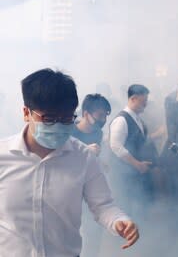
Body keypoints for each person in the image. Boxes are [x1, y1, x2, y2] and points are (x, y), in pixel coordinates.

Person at [0, 68, 139, 257]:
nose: (58, 125)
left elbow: (103, 205)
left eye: (66, 119)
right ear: (26, 113)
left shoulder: (83, 157)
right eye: (49, 118)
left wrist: (119, 221)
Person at [73, 93, 112, 257]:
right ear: (85, 113)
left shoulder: (98, 133)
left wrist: (100, 162)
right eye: (99, 115)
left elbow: (94, 159)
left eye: (105, 115)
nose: (102, 119)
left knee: (94, 232)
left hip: (90, 189)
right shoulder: (69, 132)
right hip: (72, 191)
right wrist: (86, 151)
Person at [109, 84, 156, 218]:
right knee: (127, 209)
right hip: (126, 175)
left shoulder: (138, 119)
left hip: (137, 174)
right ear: (133, 98)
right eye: (144, 101)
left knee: (140, 209)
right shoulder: (121, 120)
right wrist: (137, 164)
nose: (146, 104)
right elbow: (116, 146)